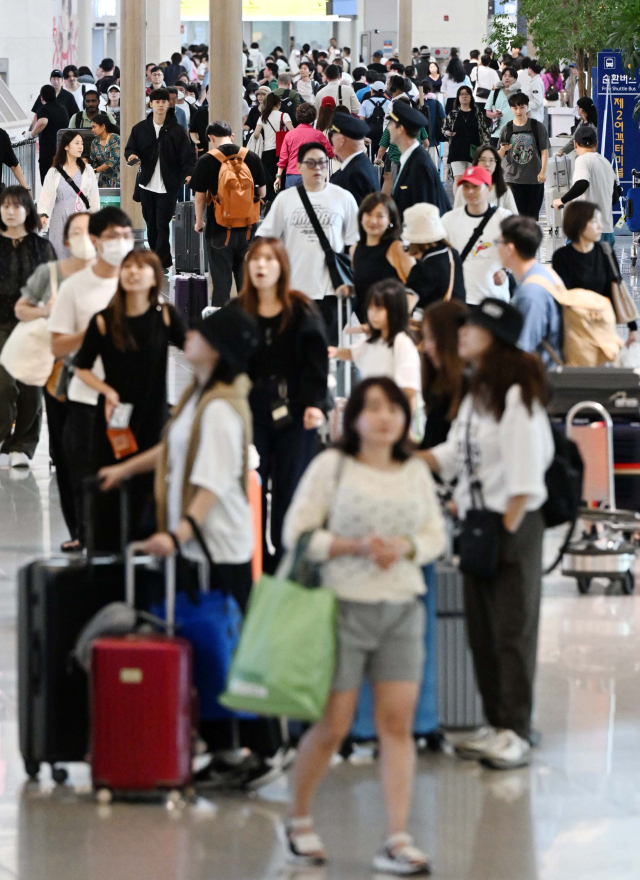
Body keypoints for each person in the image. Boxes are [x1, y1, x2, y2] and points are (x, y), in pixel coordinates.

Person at [282, 376, 445, 873]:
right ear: (353, 417)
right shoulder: (333, 465)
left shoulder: (414, 471)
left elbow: (435, 534)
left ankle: (395, 836)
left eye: (393, 408)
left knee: (396, 727)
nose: (385, 416)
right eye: (373, 407)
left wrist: (406, 548)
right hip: (342, 605)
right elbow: (297, 532)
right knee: (332, 726)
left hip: (401, 607)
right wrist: (351, 547)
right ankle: (298, 818)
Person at [422, 298, 554, 770]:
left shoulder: (517, 392)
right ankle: (496, 722)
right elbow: (455, 453)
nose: (463, 333)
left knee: (511, 631)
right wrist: (407, 458)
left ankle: (516, 729)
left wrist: (504, 528)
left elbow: (527, 473)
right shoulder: (479, 390)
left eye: (473, 327)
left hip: (511, 525)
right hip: (481, 526)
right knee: (482, 631)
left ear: (495, 336)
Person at [73, 250, 186, 550]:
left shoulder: (164, 316)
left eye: (141, 267)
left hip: (154, 418)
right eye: (128, 267)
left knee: (149, 491)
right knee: (109, 490)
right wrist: (106, 390)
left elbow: (194, 348)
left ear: (154, 277)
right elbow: (81, 367)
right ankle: (106, 558)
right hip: (114, 421)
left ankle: (147, 559)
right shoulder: (103, 320)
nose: (133, 272)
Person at [233, 237, 328, 570]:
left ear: (282, 266)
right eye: (255, 260)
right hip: (250, 412)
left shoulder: (300, 308)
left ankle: (286, 567)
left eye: (269, 260)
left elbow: (316, 363)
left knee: (290, 489)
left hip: (296, 410)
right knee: (251, 486)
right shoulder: (238, 310)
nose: (261, 266)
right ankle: (253, 562)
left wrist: (316, 404)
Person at [49, 207, 134, 548]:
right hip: (85, 397)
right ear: (96, 241)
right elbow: (56, 344)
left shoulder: (138, 280)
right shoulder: (75, 288)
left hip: (128, 398)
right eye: (113, 237)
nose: (121, 244)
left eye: (126, 236)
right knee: (83, 472)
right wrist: (91, 334)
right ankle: (85, 536)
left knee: (126, 471)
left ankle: (119, 539)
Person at [15, 211, 94, 547]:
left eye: (89, 232)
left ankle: (95, 529)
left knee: (92, 453)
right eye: (75, 232)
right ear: (65, 240)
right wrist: (48, 310)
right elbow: (23, 308)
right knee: (64, 453)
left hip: (98, 380)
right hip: (59, 375)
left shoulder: (113, 276)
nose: (82, 239)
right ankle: (77, 530)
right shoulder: (52, 274)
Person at [257, 142, 358, 345]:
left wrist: (353, 280)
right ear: (299, 166)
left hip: (332, 289)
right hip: (296, 289)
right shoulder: (286, 199)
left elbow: (355, 243)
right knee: (297, 350)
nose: (318, 168)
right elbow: (265, 239)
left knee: (327, 350)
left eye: (322, 163)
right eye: (310, 163)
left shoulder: (343, 198)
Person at [0, 187, 56, 468]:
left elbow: (53, 288)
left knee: (31, 386)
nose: (10, 211)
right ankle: (2, 436)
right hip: (1, 323)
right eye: (5, 206)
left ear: (27, 210)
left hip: (35, 324)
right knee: (4, 383)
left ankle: (23, 444)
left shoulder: (41, 247)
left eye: (16, 206)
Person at [190, 120, 267, 306]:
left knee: (221, 285)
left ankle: (221, 329)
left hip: (219, 230)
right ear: (232, 136)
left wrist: (199, 221)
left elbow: (199, 198)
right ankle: (249, 326)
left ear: (211, 138)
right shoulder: (251, 156)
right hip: (248, 229)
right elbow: (263, 193)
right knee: (247, 285)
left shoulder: (206, 160)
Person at [125, 88, 196, 271]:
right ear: (151, 104)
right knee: (151, 224)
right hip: (146, 184)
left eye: (164, 101)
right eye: (157, 102)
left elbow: (188, 157)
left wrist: (188, 174)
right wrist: (132, 157)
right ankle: (156, 257)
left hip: (168, 185)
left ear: (168, 104)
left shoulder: (177, 131)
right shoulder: (140, 128)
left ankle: (160, 262)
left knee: (162, 224)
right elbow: (130, 149)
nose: (161, 105)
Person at [330, 280, 422, 410]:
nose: (373, 313)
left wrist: (404, 425)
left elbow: (410, 391)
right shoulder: (373, 341)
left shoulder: (402, 343)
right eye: (370, 307)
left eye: (379, 308)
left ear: (395, 310)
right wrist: (332, 352)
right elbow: (352, 353)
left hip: (392, 411)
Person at [552, 201, 637, 343]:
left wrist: (633, 328)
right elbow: (562, 296)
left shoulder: (605, 252)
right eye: (594, 222)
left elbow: (617, 289)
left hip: (603, 325)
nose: (600, 227)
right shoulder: (562, 257)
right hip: (574, 329)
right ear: (578, 224)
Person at [495, 215, 563, 365]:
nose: (497, 248)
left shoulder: (530, 294)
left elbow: (522, 351)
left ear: (510, 248)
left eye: (498, 242)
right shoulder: (543, 274)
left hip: (543, 379)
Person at [441, 165, 512, 305]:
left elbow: (515, 253)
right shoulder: (448, 220)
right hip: (460, 299)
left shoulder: (504, 218)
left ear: (489, 188)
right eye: (466, 187)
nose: (470, 191)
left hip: (494, 298)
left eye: (476, 186)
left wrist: (505, 271)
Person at [346, 192, 414, 323]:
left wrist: (397, 318)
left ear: (390, 220)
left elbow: (416, 288)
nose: (373, 221)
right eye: (369, 214)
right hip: (368, 326)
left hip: (394, 326)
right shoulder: (355, 250)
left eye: (380, 216)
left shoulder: (397, 248)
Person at [552, 125, 618, 247]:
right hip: (606, 230)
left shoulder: (582, 160)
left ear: (575, 144)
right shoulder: (606, 163)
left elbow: (582, 183)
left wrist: (561, 200)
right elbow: (615, 198)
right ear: (596, 144)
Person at [38, 131, 100, 258]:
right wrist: (43, 213)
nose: (80, 147)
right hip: (59, 218)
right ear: (66, 146)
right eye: (76, 143)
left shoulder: (88, 170)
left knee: (80, 256)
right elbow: (46, 195)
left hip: (81, 218)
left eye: (81, 144)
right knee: (59, 255)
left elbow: (93, 198)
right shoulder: (54, 172)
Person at [387, 101, 451, 219]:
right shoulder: (410, 159)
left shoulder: (420, 165)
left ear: (400, 129)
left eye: (390, 123)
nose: (388, 127)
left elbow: (424, 214)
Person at [419, 299, 469, 449]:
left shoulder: (468, 390)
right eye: (425, 337)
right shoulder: (439, 387)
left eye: (432, 338)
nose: (425, 347)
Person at [404, 203, 466, 309]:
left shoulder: (424, 267)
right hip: (458, 319)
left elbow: (406, 305)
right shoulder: (452, 253)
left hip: (433, 323)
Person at [498, 92, 548, 219]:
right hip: (512, 179)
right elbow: (499, 154)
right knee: (514, 217)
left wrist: (543, 171)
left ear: (527, 106)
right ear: (510, 109)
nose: (518, 111)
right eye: (515, 108)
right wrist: (503, 150)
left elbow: (544, 150)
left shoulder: (537, 126)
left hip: (534, 179)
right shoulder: (507, 128)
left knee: (532, 218)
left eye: (521, 107)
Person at [275, 103, 334, 192]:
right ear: (313, 117)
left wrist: (278, 177)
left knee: (294, 204)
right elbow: (331, 152)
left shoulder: (289, 135)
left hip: (292, 176)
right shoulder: (318, 135)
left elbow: (283, 159)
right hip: (312, 174)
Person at [443, 85, 491, 192]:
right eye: (462, 94)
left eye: (467, 94)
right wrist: (448, 133)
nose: (464, 96)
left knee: (472, 179)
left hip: (474, 150)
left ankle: (469, 203)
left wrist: (486, 149)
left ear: (471, 96)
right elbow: (444, 129)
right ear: (458, 97)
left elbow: (485, 131)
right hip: (456, 150)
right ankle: (458, 204)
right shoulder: (453, 114)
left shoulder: (477, 112)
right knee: (458, 178)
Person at [329, 114, 379, 206]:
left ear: (342, 140)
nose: (331, 139)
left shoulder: (355, 174)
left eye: (333, 135)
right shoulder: (360, 165)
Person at [252, 91, 293, 201]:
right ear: (279, 103)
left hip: (267, 152)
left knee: (269, 178)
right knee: (281, 177)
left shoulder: (263, 116)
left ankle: (270, 201)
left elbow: (256, 134)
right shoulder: (284, 115)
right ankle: (281, 200)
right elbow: (292, 131)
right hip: (281, 151)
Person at [453, 144, 518, 212]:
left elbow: (514, 219)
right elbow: (456, 216)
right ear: (476, 162)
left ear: (496, 164)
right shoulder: (463, 189)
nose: (487, 164)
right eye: (482, 160)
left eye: (491, 160)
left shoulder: (504, 190)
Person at [30, 85, 69, 184]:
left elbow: (42, 122)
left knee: (48, 182)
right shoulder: (63, 109)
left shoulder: (43, 109)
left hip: (48, 153)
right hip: (62, 151)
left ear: (41, 97)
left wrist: (31, 134)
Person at [484, 67, 520, 141]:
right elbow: (487, 112)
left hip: (515, 134)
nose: (507, 78)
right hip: (497, 133)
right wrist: (495, 115)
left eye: (510, 76)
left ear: (515, 79)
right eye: (505, 76)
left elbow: (527, 113)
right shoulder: (495, 93)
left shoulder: (519, 94)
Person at [358, 80, 390, 158]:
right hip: (384, 133)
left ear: (372, 90)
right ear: (384, 92)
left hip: (370, 134)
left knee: (370, 156)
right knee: (383, 157)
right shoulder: (388, 102)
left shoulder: (366, 102)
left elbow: (361, 120)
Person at [90, 114, 120, 188]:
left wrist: (96, 170)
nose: (92, 130)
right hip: (102, 181)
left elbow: (113, 160)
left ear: (103, 126)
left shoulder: (115, 138)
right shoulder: (94, 142)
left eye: (94, 127)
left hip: (117, 179)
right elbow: (93, 161)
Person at [521, 59, 544, 124]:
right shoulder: (535, 81)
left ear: (530, 69)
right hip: (533, 117)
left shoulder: (536, 83)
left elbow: (537, 101)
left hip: (535, 117)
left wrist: (525, 106)